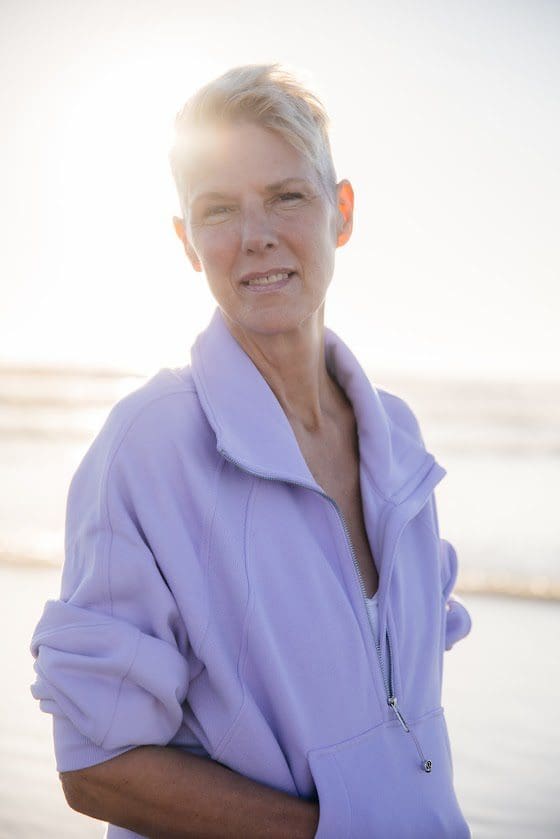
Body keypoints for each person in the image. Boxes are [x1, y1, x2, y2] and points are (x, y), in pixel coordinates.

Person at [29, 63, 473, 838]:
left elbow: (399, 697)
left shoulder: (397, 439)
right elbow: (95, 765)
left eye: (287, 196)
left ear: (342, 211)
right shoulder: (149, 446)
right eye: (220, 209)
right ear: (188, 242)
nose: (256, 234)